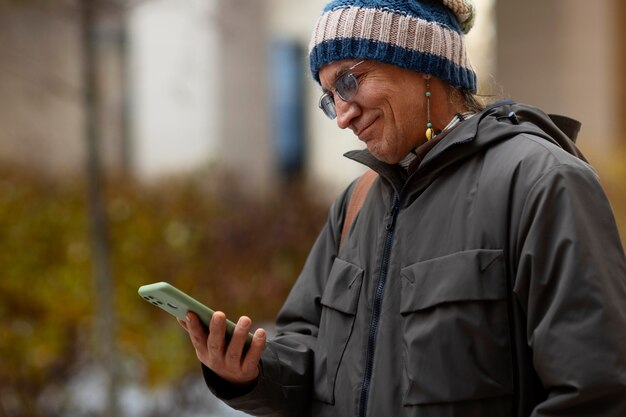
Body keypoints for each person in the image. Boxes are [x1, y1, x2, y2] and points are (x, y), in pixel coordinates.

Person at [179, 0, 626, 415]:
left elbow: (595, 392)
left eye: (350, 81)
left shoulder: (540, 181)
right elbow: (309, 348)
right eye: (329, 95)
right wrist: (250, 373)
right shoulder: (356, 203)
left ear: (423, 63)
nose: (342, 114)